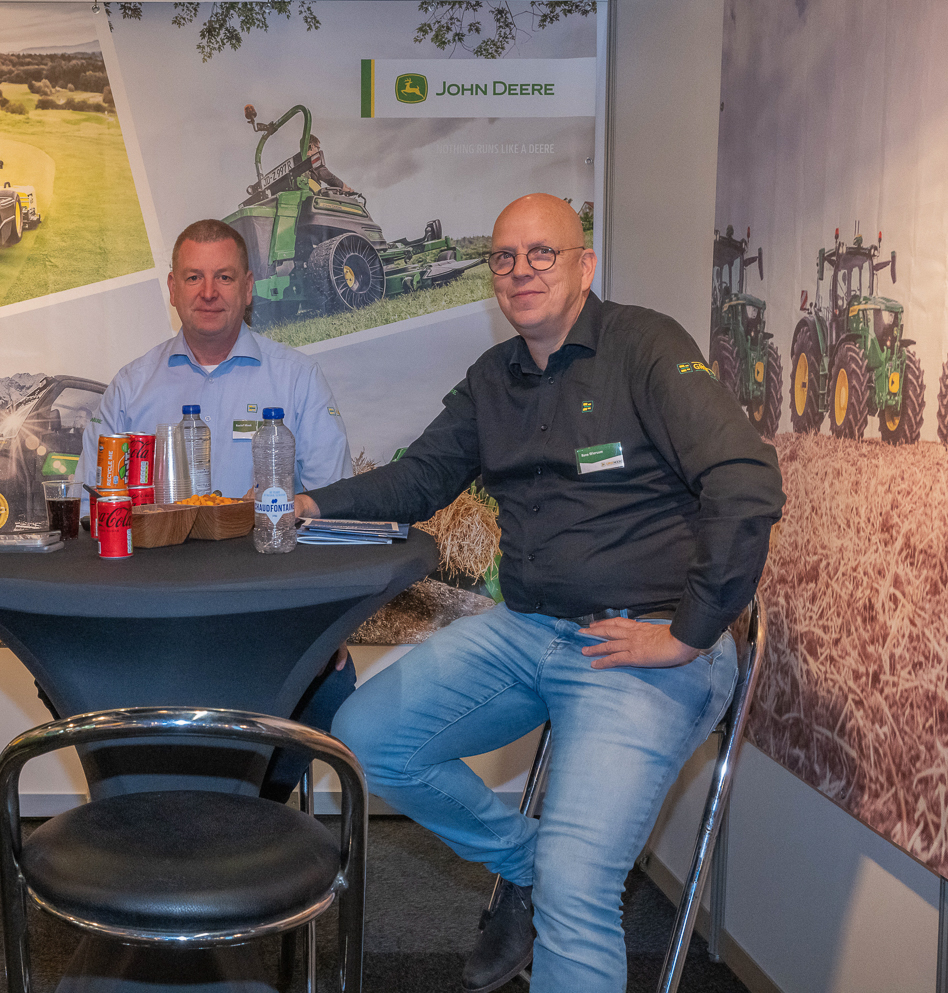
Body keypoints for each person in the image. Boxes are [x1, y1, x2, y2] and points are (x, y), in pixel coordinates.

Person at [295, 194, 785, 992]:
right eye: (504, 257)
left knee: (579, 883)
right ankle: (529, 863)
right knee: (366, 737)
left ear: (584, 266)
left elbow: (746, 480)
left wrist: (689, 633)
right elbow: (419, 479)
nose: (520, 271)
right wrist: (313, 504)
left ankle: (554, 875)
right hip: (526, 629)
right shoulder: (494, 377)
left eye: (542, 253)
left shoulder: (647, 347)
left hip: (642, 646)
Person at [77, 218, 355, 801]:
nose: (209, 292)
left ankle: (258, 813)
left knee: (331, 684)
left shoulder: (297, 378)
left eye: (224, 277)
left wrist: (325, 624)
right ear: (172, 289)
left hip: (268, 613)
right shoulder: (131, 387)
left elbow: (333, 507)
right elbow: (93, 506)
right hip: (153, 615)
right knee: (81, 679)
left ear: (249, 288)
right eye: (194, 278)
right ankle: (142, 810)